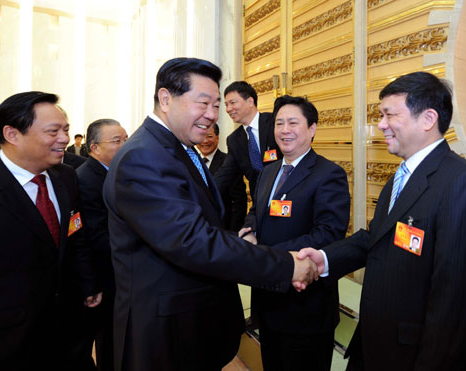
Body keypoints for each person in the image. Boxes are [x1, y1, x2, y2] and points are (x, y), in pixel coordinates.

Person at [102, 57, 319, 371]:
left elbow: (198, 226)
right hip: (165, 332)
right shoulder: (144, 157)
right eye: (202, 103)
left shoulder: (176, 149)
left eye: (217, 105)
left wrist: (239, 237)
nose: (212, 115)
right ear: (166, 99)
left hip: (188, 323)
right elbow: (192, 241)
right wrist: (287, 266)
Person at [298, 72, 466, 370]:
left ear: (427, 119)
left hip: (414, 354)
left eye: (389, 115)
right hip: (375, 342)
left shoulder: (464, 182)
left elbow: (455, 298)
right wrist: (324, 259)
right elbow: (376, 238)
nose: (381, 125)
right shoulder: (401, 176)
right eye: (380, 115)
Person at [0, 91, 102, 371]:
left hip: (69, 331)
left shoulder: (66, 177)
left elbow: (76, 237)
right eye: (53, 131)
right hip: (6, 339)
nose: (64, 139)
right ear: (12, 134)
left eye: (65, 129)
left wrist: (88, 283)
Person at [239, 95, 350, 371]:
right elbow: (258, 212)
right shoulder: (268, 171)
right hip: (268, 301)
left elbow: (328, 233)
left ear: (312, 128)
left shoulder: (328, 174)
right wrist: (250, 229)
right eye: (279, 123)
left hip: (305, 308)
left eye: (292, 122)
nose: (284, 130)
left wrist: (264, 253)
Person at [77, 118, 128, 371]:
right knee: (108, 338)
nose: (125, 145)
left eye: (126, 139)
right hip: (105, 275)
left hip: (120, 273)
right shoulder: (87, 179)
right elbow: (96, 236)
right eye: (117, 141)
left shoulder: (116, 173)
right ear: (94, 148)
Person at [214, 81, 282, 199]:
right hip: (260, 200)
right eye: (226, 105)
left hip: (287, 194)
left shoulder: (274, 123)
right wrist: (202, 194)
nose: (228, 109)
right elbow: (224, 175)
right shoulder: (234, 140)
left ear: (250, 101)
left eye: (232, 103)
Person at [197, 123, 247, 232]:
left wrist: (233, 233)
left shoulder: (229, 162)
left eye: (209, 136)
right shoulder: (191, 162)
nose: (205, 141)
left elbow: (239, 202)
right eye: (202, 136)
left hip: (223, 230)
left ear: (217, 138)